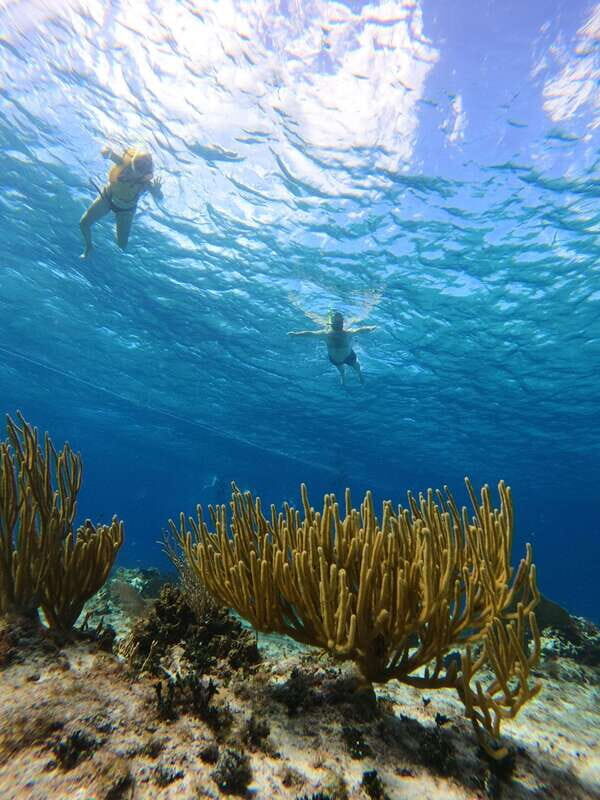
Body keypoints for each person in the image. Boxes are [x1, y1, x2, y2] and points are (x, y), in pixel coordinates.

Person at [79, 145, 163, 258]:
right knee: (83, 224)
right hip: (108, 197)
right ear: (132, 162)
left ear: (144, 174)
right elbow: (107, 152)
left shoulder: (145, 183)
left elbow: (159, 197)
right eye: (136, 166)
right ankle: (89, 247)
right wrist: (106, 152)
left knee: (121, 245)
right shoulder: (122, 163)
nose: (134, 172)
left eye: (140, 170)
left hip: (126, 210)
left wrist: (157, 190)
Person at [288, 310, 376, 385]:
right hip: (335, 359)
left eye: (339, 322)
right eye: (336, 322)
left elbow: (360, 330)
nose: (338, 325)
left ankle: (359, 374)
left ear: (342, 323)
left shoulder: (347, 333)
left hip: (349, 356)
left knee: (357, 367)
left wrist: (370, 328)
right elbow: (310, 334)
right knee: (341, 370)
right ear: (331, 323)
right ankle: (343, 376)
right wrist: (296, 334)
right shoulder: (325, 334)